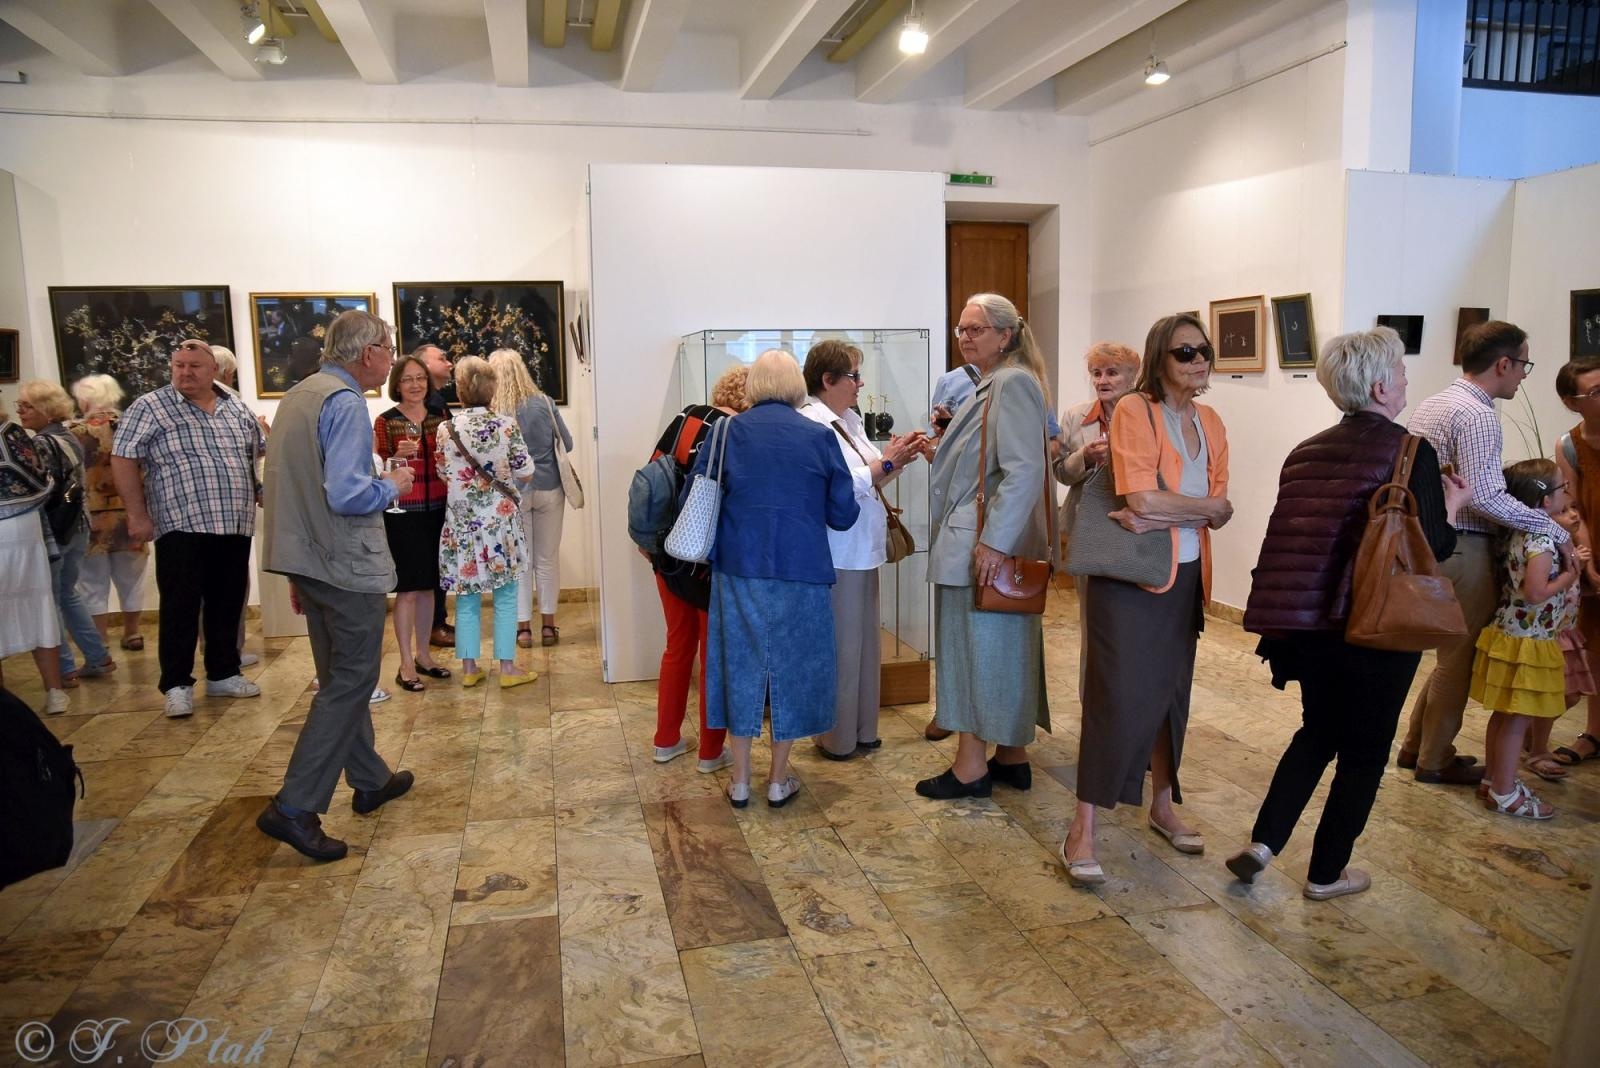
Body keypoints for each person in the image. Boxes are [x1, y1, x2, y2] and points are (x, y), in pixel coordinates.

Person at [1230, 327, 1468, 900]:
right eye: (1404, 373)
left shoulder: (1305, 451)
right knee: (1364, 751)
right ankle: (1326, 873)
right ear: (1383, 385)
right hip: (1376, 624)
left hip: (1309, 623)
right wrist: (1454, 506)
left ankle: (1264, 843)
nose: (1408, 382)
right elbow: (1430, 546)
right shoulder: (1408, 451)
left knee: (1318, 731)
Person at [1059, 312, 1232, 886]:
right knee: (1113, 695)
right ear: (1160, 359)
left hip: (1185, 577)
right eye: (1185, 352)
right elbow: (1140, 499)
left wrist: (1183, 508)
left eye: (1204, 350)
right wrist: (1195, 508)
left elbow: (1221, 508)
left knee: (1170, 694)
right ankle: (1082, 827)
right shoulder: (1137, 409)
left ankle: (1162, 804)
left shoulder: (1211, 420)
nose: (1199, 360)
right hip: (1128, 579)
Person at [258, 309, 416, 861]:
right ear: (367, 352)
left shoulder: (301, 394)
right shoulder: (345, 402)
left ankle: (369, 778)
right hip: (344, 561)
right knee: (350, 681)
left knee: (337, 677)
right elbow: (348, 494)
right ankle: (296, 806)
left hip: (309, 557)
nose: (392, 359)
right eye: (388, 348)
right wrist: (391, 482)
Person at [1401, 321, 1568, 785]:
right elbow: (1485, 497)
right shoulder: (1476, 414)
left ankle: (1416, 747)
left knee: (1446, 658)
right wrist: (1551, 528)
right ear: (1503, 363)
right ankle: (1435, 759)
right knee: (1459, 660)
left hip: (1433, 540)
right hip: (1465, 546)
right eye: (1523, 366)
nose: (1522, 376)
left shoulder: (1434, 402)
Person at [694, 350, 858, 808]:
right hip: (802, 569)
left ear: (753, 387)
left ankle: (742, 780)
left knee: (739, 668)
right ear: (797, 388)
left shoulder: (725, 433)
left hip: (738, 566)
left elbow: (699, 494)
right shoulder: (819, 436)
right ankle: (778, 779)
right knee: (794, 669)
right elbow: (843, 515)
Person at [919, 293, 1053, 799]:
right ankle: (1011, 756)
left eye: (975, 329)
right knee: (1002, 649)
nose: (965, 337)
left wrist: (994, 543)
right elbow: (990, 463)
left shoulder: (1012, 383)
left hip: (979, 544)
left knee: (971, 651)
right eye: (961, 329)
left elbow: (1023, 471)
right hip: (976, 537)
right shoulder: (991, 384)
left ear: (1005, 335)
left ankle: (970, 767)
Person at [112, 339, 266, 719]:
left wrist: (263, 489)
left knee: (228, 600)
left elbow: (258, 453)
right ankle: (177, 683)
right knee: (180, 605)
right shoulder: (150, 407)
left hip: (233, 521)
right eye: (178, 365)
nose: (185, 372)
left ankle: (223, 672)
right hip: (181, 522)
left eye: (194, 366)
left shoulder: (235, 407)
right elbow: (123, 457)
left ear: (214, 370)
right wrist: (136, 513)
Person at [800, 339, 927, 759]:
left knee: (864, 643)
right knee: (842, 645)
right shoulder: (814, 424)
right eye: (854, 375)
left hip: (863, 548)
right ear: (828, 379)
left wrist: (898, 458)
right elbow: (835, 487)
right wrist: (886, 463)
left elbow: (873, 476)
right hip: (838, 551)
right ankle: (837, 737)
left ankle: (861, 729)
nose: (861, 383)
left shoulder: (849, 420)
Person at [648, 365, 749, 773]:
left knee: (677, 647)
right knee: (713, 657)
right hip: (709, 563)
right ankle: (711, 752)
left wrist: (649, 544)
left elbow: (653, 479)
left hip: (668, 554)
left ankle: (665, 740)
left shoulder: (685, 418)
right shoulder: (738, 433)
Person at [1469, 459, 1576, 821]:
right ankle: (1505, 791)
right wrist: (1570, 575)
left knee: (1504, 715)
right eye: (1563, 489)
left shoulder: (1516, 531)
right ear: (1545, 501)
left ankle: (1491, 780)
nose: (1568, 494)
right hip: (1530, 637)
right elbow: (1535, 592)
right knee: (1517, 719)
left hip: (1509, 632)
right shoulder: (1543, 538)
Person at [437, 356, 536, 687]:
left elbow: (443, 473)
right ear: (492, 389)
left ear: (460, 390)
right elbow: (525, 471)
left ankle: (468, 669)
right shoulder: (506, 425)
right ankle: (507, 670)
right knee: (506, 594)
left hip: (461, 524)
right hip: (500, 523)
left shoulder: (445, 429)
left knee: (466, 595)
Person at [1052, 341, 1141, 693]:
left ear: (1133, 377)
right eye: (1096, 373)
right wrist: (1084, 458)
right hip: (1087, 529)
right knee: (1094, 623)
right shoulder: (1076, 417)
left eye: (1112, 372)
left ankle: (1130, 699)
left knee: (1132, 620)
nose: (1102, 380)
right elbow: (1059, 472)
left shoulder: (1150, 415)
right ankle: (1094, 702)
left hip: (1136, 528)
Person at [16, 380, 116, 685]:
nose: (20, 411)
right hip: (78, 526)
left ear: (46, 410)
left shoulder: (43, 444)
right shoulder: (68, 436)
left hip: (56, 530)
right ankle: (98, 656)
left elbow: (41, 490)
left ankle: (64, 668)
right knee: (67, 594)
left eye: (27, 405)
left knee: (52, 599)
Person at [374, 355, 450, 692]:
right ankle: (405, 663)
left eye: (420, 378)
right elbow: (377, 470)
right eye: (408, 379)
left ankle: (425, 655)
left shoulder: (441, 417)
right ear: (397, 385)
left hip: (439, 510)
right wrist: (397, 458)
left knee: (430, 586)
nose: (416, 385)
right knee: (406, 590)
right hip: (403, 514)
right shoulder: (385, 421)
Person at [488, 348, 573, 649]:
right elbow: (569, 443)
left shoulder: (495, 411)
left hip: (514, 493)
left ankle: (523, 629)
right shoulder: (545, 403)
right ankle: (548, 626)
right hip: (550, 488)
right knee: (547, 559)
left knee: (521, 562)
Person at [68, 374, 147, 652]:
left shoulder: (74, 432)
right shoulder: (130, 427)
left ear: (86, 399)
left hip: (91, 516)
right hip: (130, 512)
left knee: (91, 581)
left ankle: (100, 638)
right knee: (132, 578)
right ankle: (133, 632)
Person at [0, 394, 67, 714]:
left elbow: (35, 478)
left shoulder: (10, 433)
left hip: (21, 531)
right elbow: (42, 479)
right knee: (38, 606)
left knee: (36, 604)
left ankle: (53, 690)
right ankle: (53, 691)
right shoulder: (14, 434)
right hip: (25, 527)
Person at [1552, 358, 1600, 768]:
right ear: (1573, 403)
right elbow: (1576, 508)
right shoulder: (1570, 444)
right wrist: (1588, 563)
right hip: (1593, 555)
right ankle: (1595, 734)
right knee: (1594, 645)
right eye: (1596, 392)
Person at [414, 342, 456, 647]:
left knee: (438, 560)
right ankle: (434, 624)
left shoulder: (438, 401)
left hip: (438, 491)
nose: (450, 363)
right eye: (442, 358)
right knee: (430, 561)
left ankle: (437, 621)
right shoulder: (429, 404)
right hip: (425, 495)